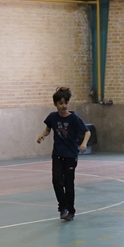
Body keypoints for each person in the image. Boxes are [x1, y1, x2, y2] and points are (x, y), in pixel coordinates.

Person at [37, 87, 91, 221]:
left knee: (68, 183)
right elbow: (48, 129)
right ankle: (62, 207)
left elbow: (87, 131)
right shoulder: (52, 117)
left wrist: (83, 144)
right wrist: (43, 135)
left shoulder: (74, 118)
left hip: (70, 155)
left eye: (66, 103)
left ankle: (71, 210)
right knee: (56, 180)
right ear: (55, 104)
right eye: (60, 103)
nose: (63, 106)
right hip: (57, 154)